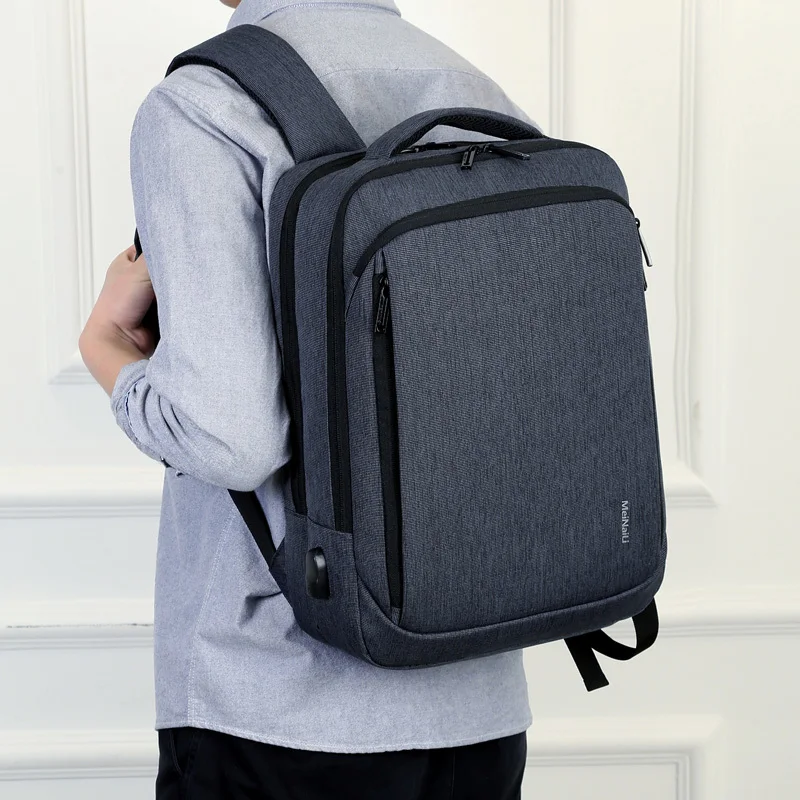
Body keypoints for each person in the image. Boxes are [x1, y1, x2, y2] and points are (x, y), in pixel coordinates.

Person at [78, 1, 539, 797]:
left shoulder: (206, 107)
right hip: (479, 704)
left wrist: (109, 350)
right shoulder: (477, 94)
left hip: (278, 704)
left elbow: (234, 439)